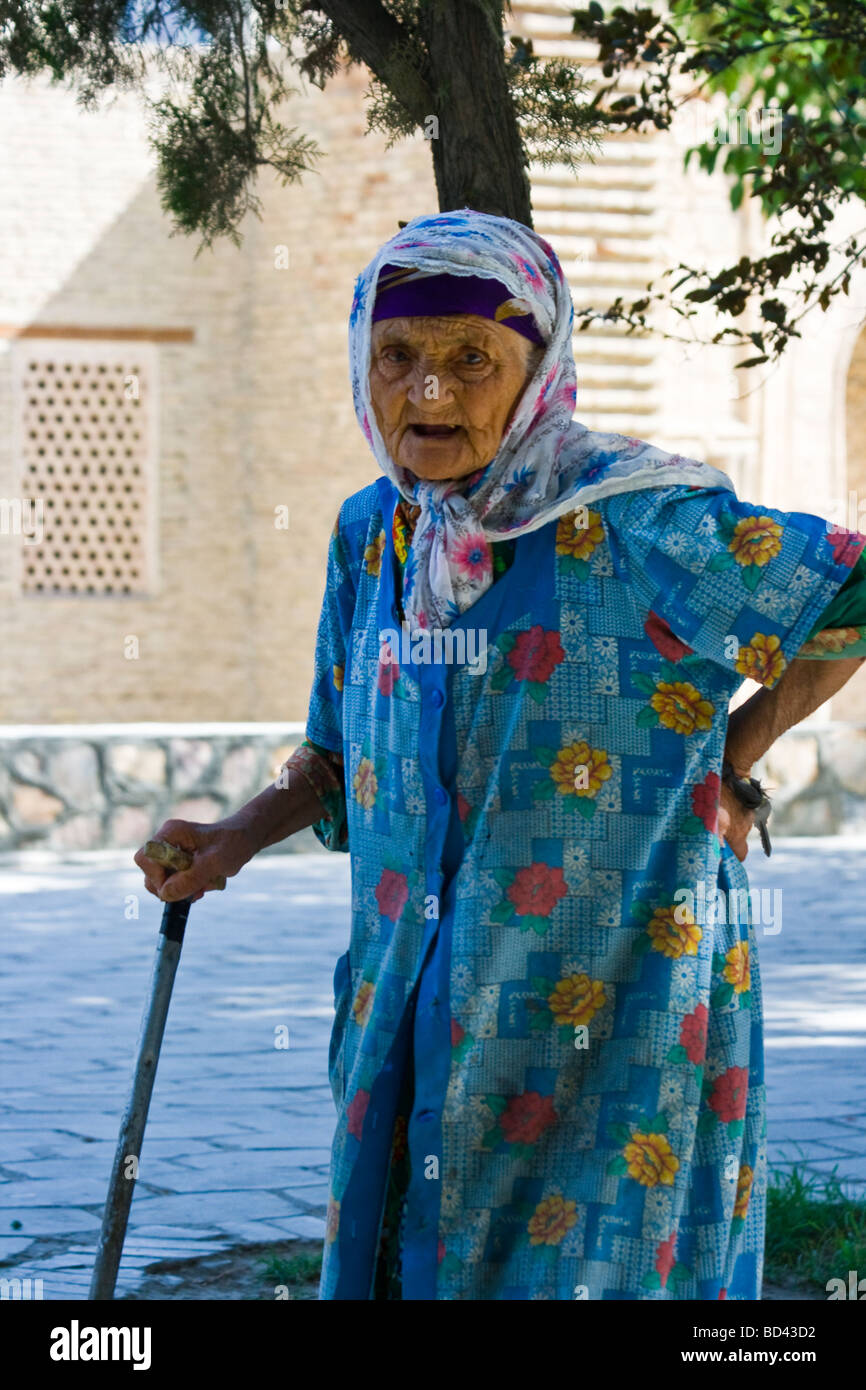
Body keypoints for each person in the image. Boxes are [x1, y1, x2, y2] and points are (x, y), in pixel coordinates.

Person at [136, 208, 866, 1300]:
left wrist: (732, 750)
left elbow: (845, 592)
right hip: (412, 1013)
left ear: (535, 365)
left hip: (612, 1007)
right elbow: (338, 754)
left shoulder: (634, 520)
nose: (427, 394)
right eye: (397, 358)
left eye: (469, 360)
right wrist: (231, 838)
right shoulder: (373, 533)